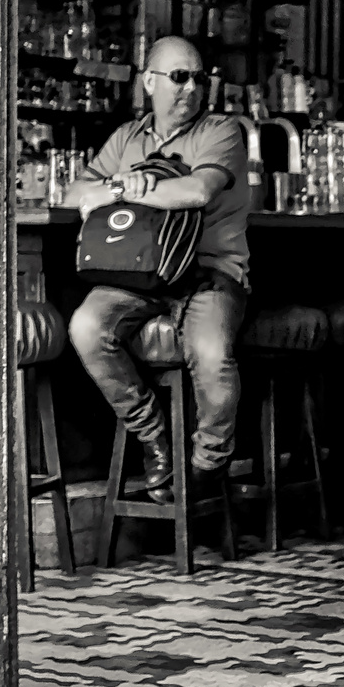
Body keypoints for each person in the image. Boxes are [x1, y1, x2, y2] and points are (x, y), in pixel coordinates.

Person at [67, 36, 251, 503]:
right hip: (139, 275)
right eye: (178, 76)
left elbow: (198, 191)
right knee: (87, 327)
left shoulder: (221, 130)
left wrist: (130, 187)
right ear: (149, 81)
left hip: (209, 273)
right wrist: (117, 186)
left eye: (198, 77)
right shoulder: (128, 137)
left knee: (211, 353)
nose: (191, 87)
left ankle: (206, 467)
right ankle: (153, 439)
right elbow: (74, 194)